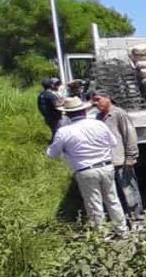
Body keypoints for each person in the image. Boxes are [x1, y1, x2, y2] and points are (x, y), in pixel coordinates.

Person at [46, 96, 128, 235]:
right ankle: (122, 231)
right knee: (113, 200)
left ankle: (101, 235)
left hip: (85, 170)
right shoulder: (99, 124)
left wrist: (66, 150)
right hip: (106, 166)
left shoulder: (64, 132)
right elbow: (113, 142)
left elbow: (52, 154)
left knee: (94, 204)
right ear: (83, 112)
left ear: (67, 114)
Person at [91, 91, 145, 228]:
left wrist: (131, 157)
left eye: (98, 99)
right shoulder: (98, 117)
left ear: (108, 98)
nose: (95, 103)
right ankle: (124, 219)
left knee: (129, 190)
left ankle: (138, 219)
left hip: (121, 160)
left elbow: (130, 135)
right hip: (107, 162)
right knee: (114, 194)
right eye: (93, 101)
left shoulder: (119, 114)